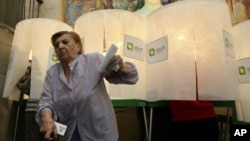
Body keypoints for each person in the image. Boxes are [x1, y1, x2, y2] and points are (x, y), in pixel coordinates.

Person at [35, 31, 138, 141]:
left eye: (65, 42)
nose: (60, 46)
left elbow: (122, 76)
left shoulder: (93, 60)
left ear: (78, 47)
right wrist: (46, 117)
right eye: (56, 45)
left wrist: (121, 67)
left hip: (98, 131)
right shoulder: (52, 73)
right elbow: (46, 100)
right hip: (69, 131)